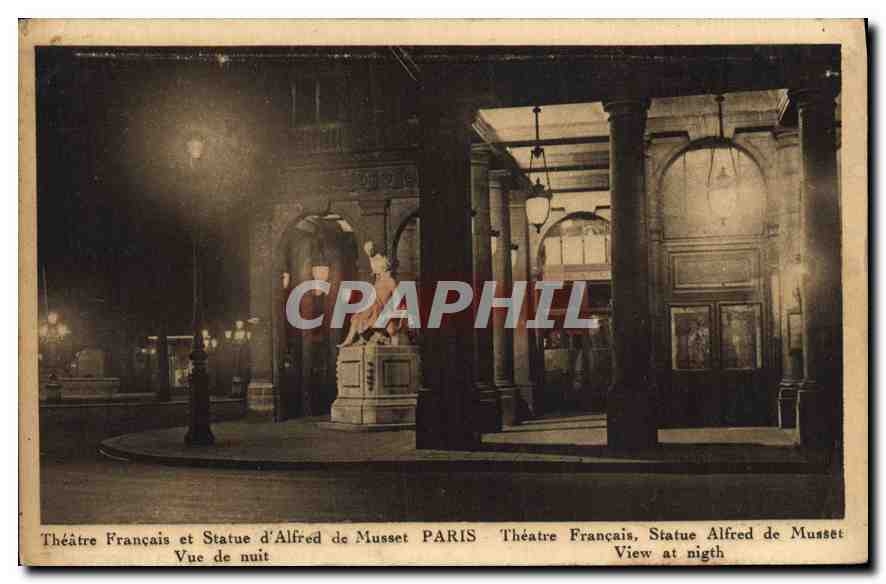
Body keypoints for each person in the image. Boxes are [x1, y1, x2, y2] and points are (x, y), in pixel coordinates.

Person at [338, 241, 402, 347]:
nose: (373, 267)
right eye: (373, 264)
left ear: (383, 265)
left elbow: (397, 299)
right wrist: (369, 252)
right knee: (358, 316)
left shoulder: (390, 280)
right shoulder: (378, 281)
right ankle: (349, 340)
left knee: (372, 308)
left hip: (382, 309)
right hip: (374, 308)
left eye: (376, 264)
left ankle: (364, 336)